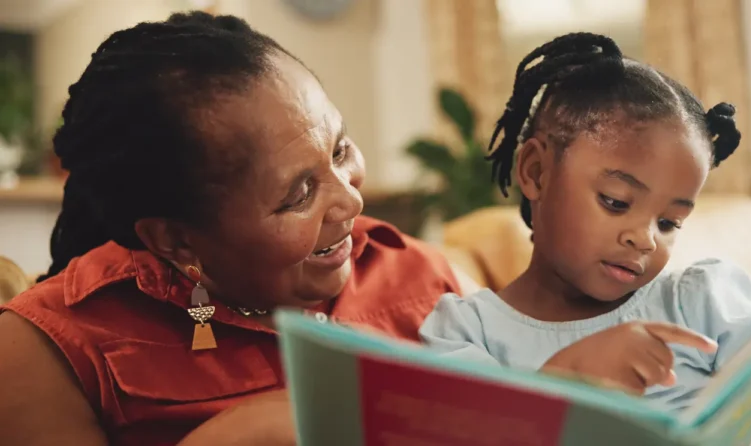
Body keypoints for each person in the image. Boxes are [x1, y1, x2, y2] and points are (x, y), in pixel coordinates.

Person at [0, 12, 479, 446]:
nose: (351, 199)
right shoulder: (47, 350)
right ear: (176, 239)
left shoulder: (421, 272)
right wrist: (238, 434)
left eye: (339, 151)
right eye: (298, 195)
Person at [420, 32, 751, 445]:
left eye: (668, 223)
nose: (644, 240)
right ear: (535, 171)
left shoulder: (700, 303)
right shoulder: (465, 334)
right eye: (616, 202)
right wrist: (569, 377)